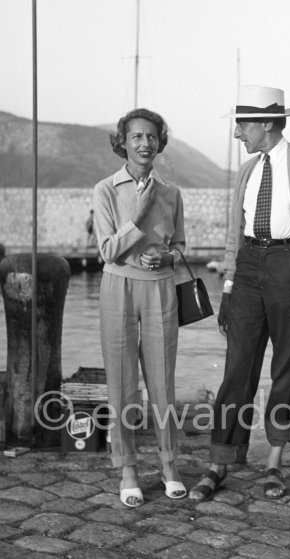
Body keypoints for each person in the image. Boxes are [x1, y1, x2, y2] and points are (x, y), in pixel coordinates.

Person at [189, 85, 290, 501]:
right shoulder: (248, 171)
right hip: (248, 265)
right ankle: (219, 462)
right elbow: (234, 231)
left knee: (287, 367)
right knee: (237, 368)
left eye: (243, 125)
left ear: (268, 124)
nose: (238, 134)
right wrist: (229, 283)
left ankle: (274, 464)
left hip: (289, 264)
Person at [93, 108, 187, 508]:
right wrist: (138, 213)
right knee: (122, 383)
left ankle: (169, 464)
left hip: (160, 289)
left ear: (159, 142)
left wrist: (167, 259)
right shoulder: (105, 190)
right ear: (123, 142)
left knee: (163, 384)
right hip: (118, 286)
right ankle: (128, 467)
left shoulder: (172, 192)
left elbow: (181, 247)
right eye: (137, 137)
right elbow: (107, 251)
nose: (145, 143)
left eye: (152, 136)